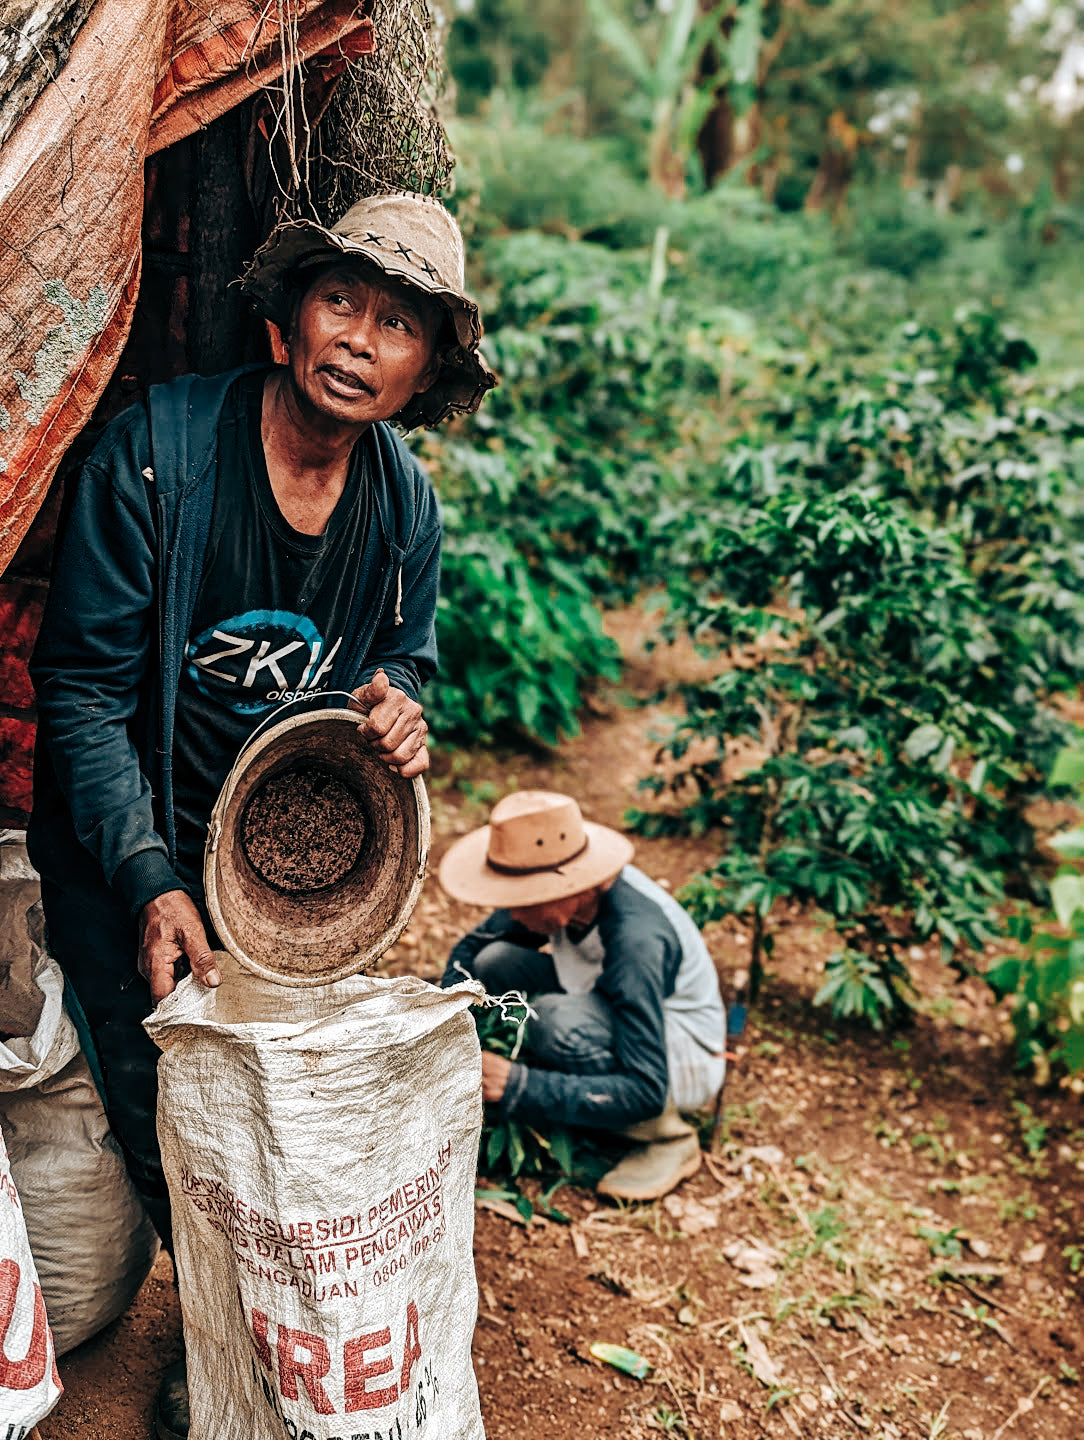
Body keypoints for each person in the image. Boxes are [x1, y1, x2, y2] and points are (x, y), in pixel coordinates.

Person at [27, 191, 494, 1440]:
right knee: (159, 1103)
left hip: (281, 876)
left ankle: (251, 1356)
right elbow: (76, 695)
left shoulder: (403, 510)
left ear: (424, 370)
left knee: (266, 1123)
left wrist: (400, 701)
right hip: (128, 843)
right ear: (288, 321)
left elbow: (412, 657)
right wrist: (146, 879)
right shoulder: (154, 456)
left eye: (398, 324)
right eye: (341, 300)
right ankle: (220, 1353)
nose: (359, 339)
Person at [438, 790, 726, 1201]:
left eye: (521, 900)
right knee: (495, 961)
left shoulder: (635, 941)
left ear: (570, 885)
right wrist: (440, 1014)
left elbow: (645, 1086)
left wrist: (519, 1085)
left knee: (555, 1021)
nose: (511, 912)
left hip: (679, 1060)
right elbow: (477, 944)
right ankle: (569, 1071)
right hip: (606, 999)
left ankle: (669, 1136)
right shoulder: (565, 893)